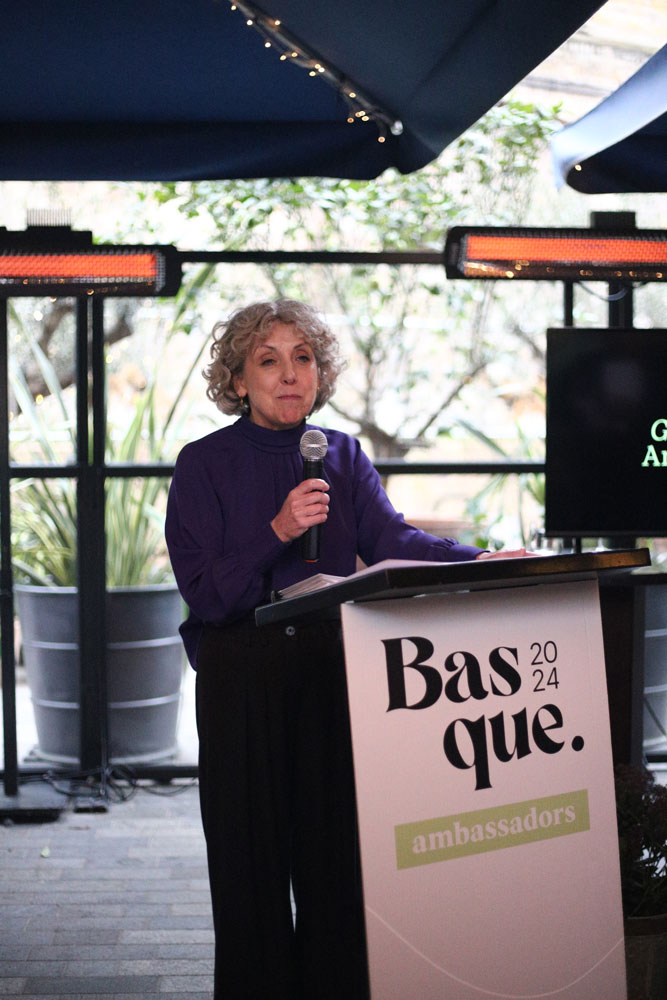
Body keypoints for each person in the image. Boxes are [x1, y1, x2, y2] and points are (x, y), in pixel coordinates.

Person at [165, 299, 527, 999]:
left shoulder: (342, 454)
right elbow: (208, 594)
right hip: (242, 680)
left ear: (320, 373)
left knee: (336, 865)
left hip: (332, 671)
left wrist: (481, 558)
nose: (289, 374)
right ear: (238, 381)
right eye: (268, 360)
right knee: (249, 870)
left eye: (302, 358)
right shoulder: (203, 464)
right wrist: (277, 530)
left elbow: (394, 541)